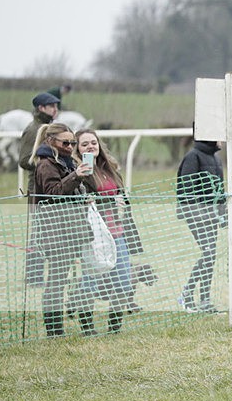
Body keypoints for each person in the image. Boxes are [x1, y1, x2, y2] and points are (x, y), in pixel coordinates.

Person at [70, 129, 143, 335]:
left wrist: (121, 201)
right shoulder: (79, 171)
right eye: (84, 144)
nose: (90, 146)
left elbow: (122, 195)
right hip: (94, 235)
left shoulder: (110, 167)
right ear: (77, 148)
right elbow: (81, 199)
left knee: (123, 281)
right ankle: (87, 328)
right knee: (90, 284)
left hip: (118, 232)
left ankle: (114, 327)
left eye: (93, 142)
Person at [29, 123, 94, 337]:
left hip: (70, 231)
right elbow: (53, 192)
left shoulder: (65, 161)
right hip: (56, 233)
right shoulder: (46, 164)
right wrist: (76, 175)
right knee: (56, 283)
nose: (70, 146)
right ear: (51, 141)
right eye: (65, 142)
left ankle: (58, 328)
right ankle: (54, 331)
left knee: (61, 280)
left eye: (72, 143)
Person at [176, 139, 226, 313]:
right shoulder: (192, 157)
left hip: (211, 217)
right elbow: (186, 188)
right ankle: (187, 294)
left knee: (210, 257)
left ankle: (204, 299)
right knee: (208, 254)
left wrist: (223, 213)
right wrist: (197, 214)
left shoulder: (216, 159)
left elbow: (220, 189)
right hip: (197, 217)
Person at [19, 92, 60, 193]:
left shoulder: (49, 127)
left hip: (51, 185)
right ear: (41, 108)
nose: (56, 109)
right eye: (51, 106)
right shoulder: (33, 130)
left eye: (56, 106)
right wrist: (49, 163)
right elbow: (24, 161)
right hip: (37, 188)